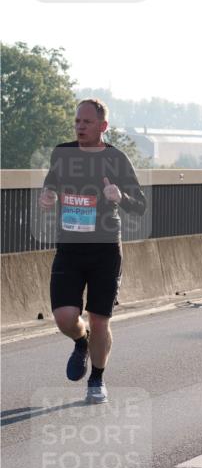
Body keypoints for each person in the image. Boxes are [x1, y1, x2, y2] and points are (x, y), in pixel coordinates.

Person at [38, 99, 148, 404]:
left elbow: (140, 205)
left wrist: (120, 195)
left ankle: (97, 379)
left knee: (100, 319)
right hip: (70, 249)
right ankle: (80, 340)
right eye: (77, 121)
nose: (80, 126)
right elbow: (51, 184)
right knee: (64, 317)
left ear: (103, 126)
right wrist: (47, 196)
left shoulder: (116, 158)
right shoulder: (63, 153)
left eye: (86, 122)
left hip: (105, 250)